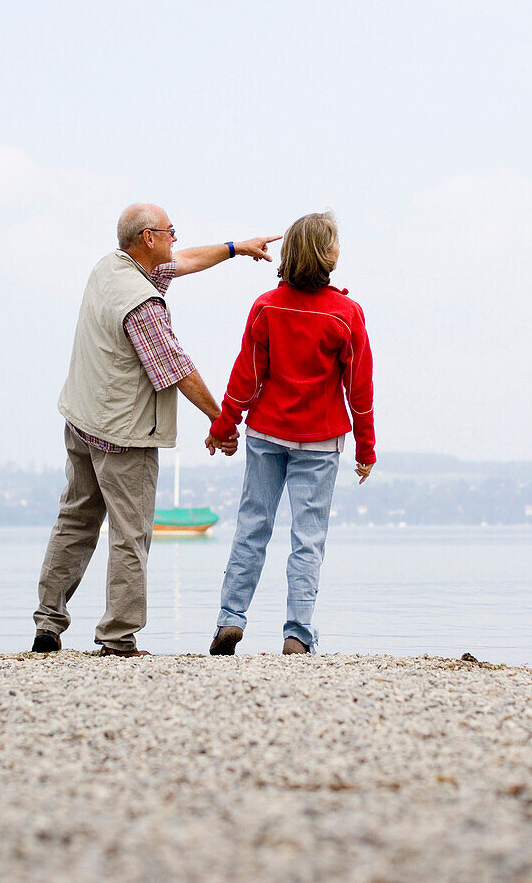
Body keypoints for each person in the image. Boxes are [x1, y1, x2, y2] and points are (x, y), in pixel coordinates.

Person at [32, 204, 279, 656]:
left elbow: (180, 263)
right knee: (131, 533)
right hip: (123, 433)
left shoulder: (110, 268)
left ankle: (48, 625)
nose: (175, 239)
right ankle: (117, 638)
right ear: (149, 237)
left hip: (82, 417)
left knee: (75, 520)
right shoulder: (142, 303)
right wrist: (221, 419)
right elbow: (176, 369)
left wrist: (234, 249)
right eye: (170, 232)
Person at [205, 210, 375, 655]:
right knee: (308, 537)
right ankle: (297, 633)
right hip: (320, 441)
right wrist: (366, 447)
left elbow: (246, 376)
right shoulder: (347, 314)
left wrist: (224, 426)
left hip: (265, 433)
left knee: (252, 526)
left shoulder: (267, 307)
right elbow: (359, 388)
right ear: (327, 254)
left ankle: (230, 618)